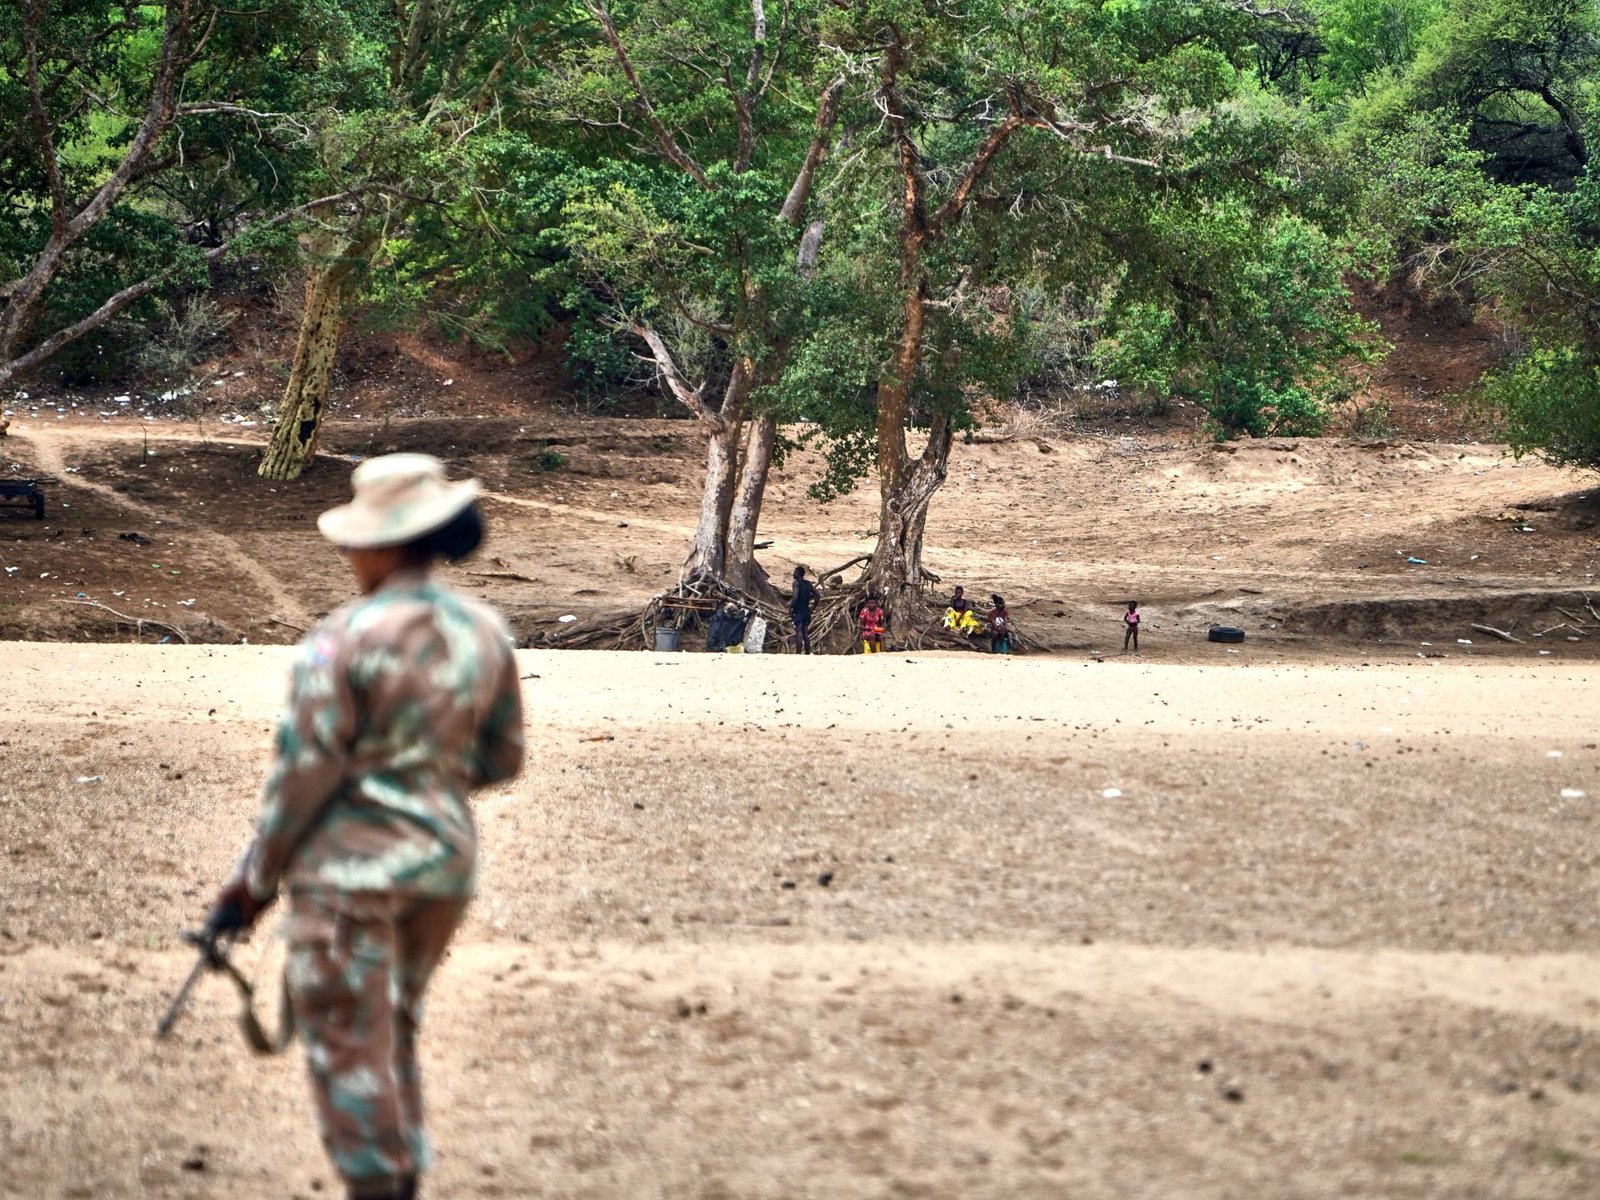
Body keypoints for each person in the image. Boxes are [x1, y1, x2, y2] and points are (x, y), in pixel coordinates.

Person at [207, 453, 525, 1200]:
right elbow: (504, 758)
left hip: (352, 876)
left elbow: (301, 777)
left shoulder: (341, 639)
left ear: (386, 542)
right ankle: (403, 1177)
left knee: (350, 1047)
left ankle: (380, 1187)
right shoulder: (485, 631)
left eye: (355, 541)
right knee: (392, 1032)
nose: (348, 554)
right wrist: (423, 779)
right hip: (444, 870)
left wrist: (254, 883)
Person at [790, 566, 819, 654]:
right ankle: (807, 653)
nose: (793, 574)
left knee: (799, 633)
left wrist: (790, 608)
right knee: (805, 633)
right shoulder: (808, 584)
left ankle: (798, 654)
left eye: (795, 572)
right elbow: (817, 595)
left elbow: (795, 597)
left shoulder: (796, 583)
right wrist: (813, 607)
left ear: (798, 574)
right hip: (806, 611)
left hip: (799, 611)